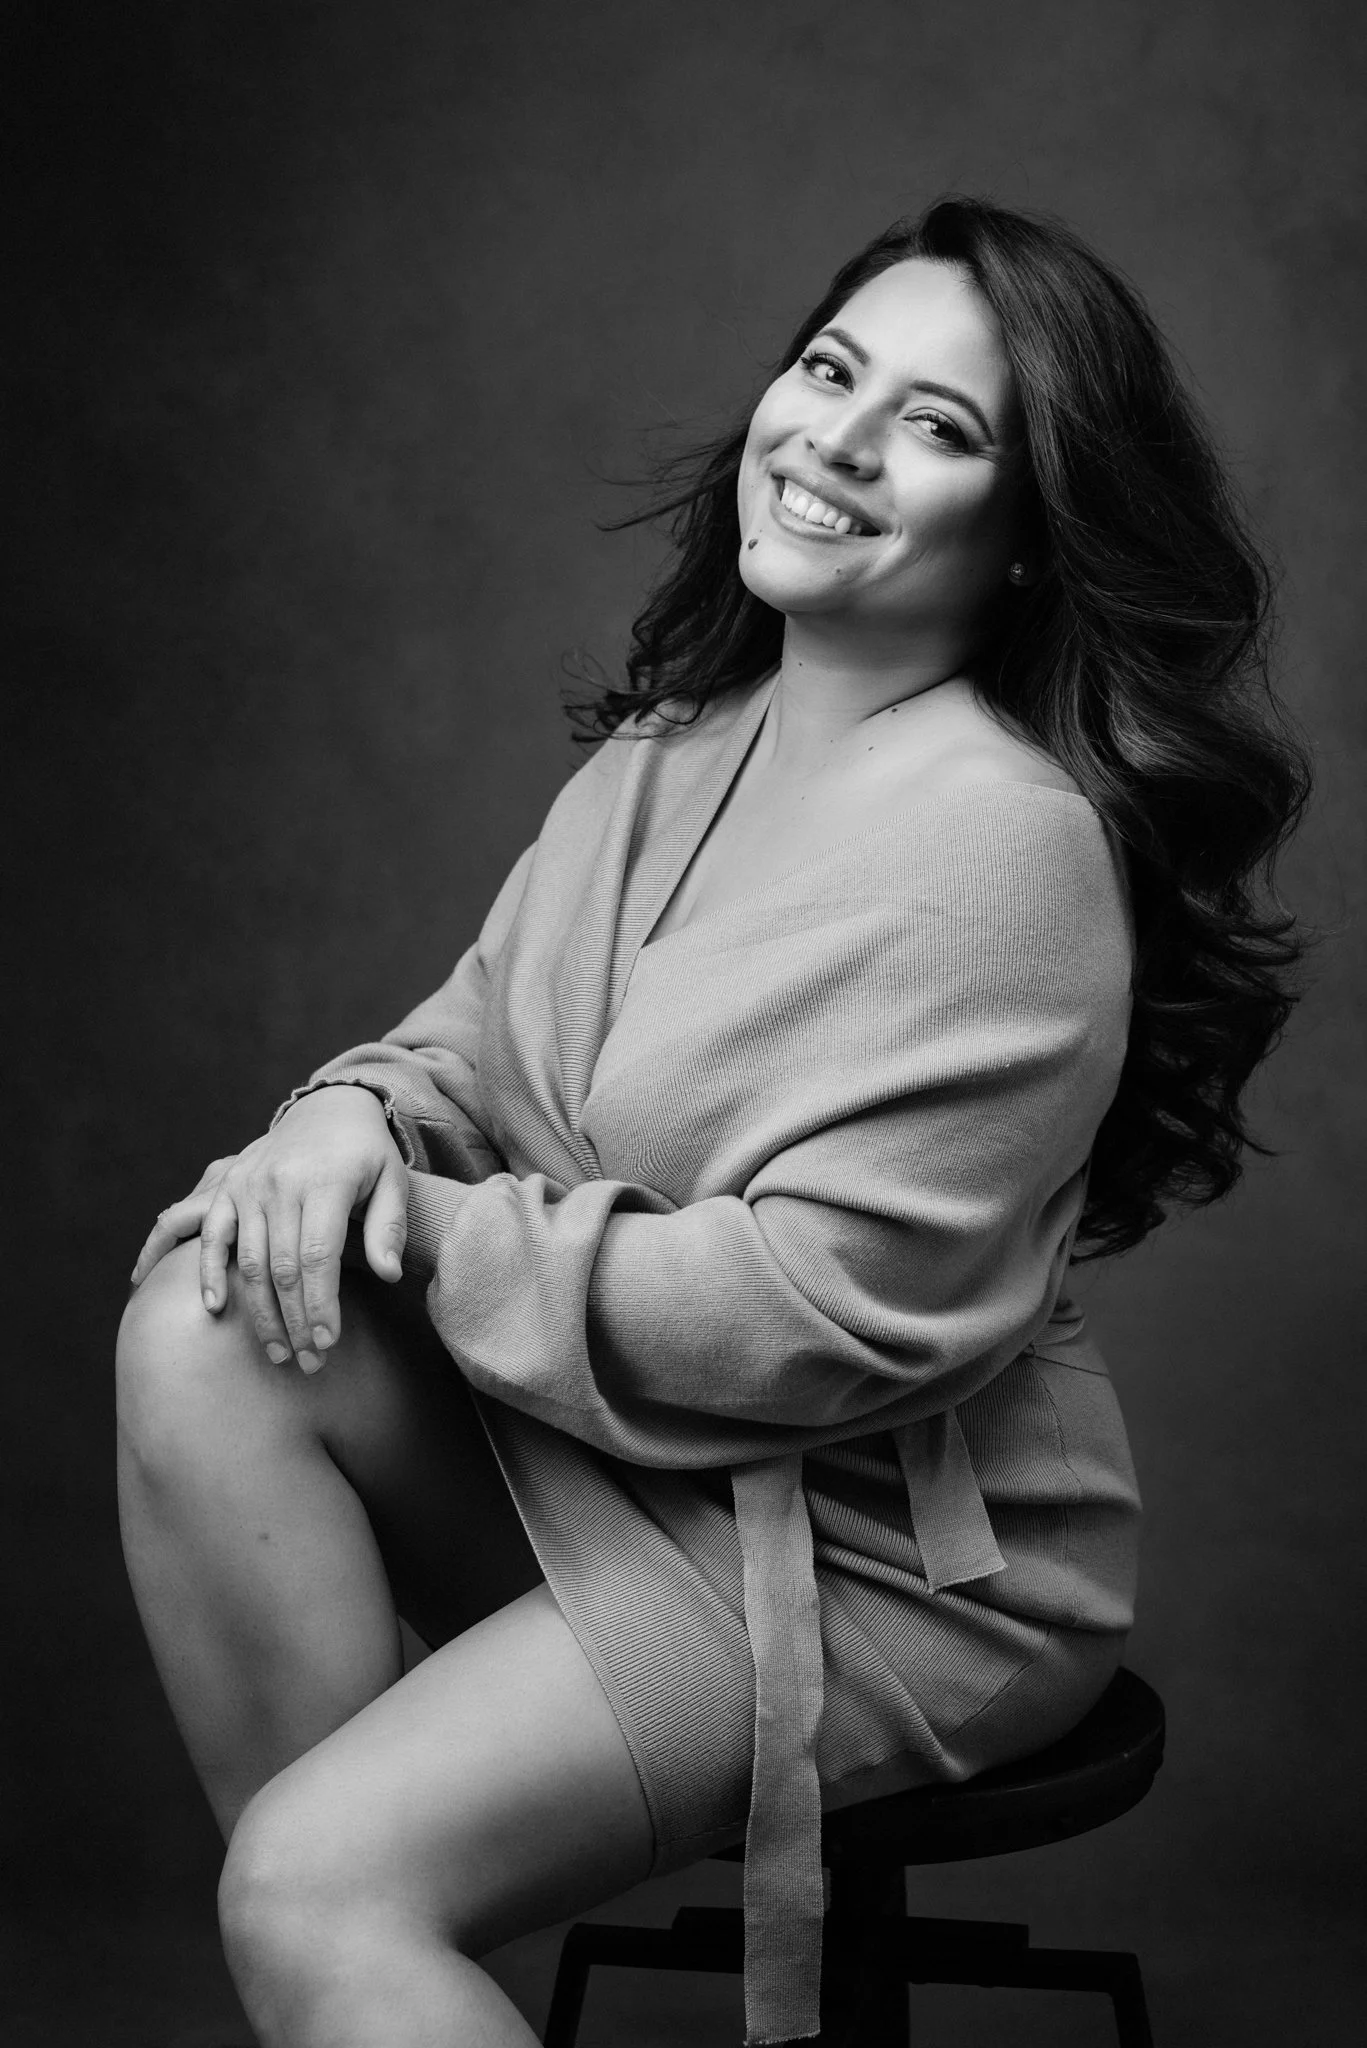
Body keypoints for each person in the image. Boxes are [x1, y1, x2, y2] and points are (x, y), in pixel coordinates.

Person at [117, 196, 1308, 2048]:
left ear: (1026, 532)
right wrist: (341, 1122)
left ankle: (349, 1918)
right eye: (830, 370)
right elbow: (470, 1050)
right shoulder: (678, 744)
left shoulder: (1011, 851)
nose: (838, 439)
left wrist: (415, 1227)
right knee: (213, 1321)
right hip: (618, 1459)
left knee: (312, 1881)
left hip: (883, 1555)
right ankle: (369, 1961)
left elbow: (809, 1310)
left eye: (937, 424)